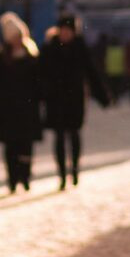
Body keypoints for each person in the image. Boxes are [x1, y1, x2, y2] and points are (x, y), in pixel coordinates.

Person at [39, 13, 112, 188]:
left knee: (74, 134)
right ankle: (62, 174)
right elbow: (40, 75)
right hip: (55, 99)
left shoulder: (80, 48)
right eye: (62, 30)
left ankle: (75, 169)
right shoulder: (50, 48)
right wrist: (40, 94)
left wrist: (103, 96)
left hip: (74, 99)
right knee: (59, 137)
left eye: (68, 31)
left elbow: (92, 73)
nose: (65, 34)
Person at [0, 12, 44, 193]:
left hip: (28, 108)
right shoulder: (1, 59)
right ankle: (12, 178)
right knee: (11, 146)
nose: (16, 40)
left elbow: (41, 82)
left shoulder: (32, 56)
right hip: (7, 109)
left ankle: (25, 175)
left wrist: (43, 99)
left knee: (26, 146)